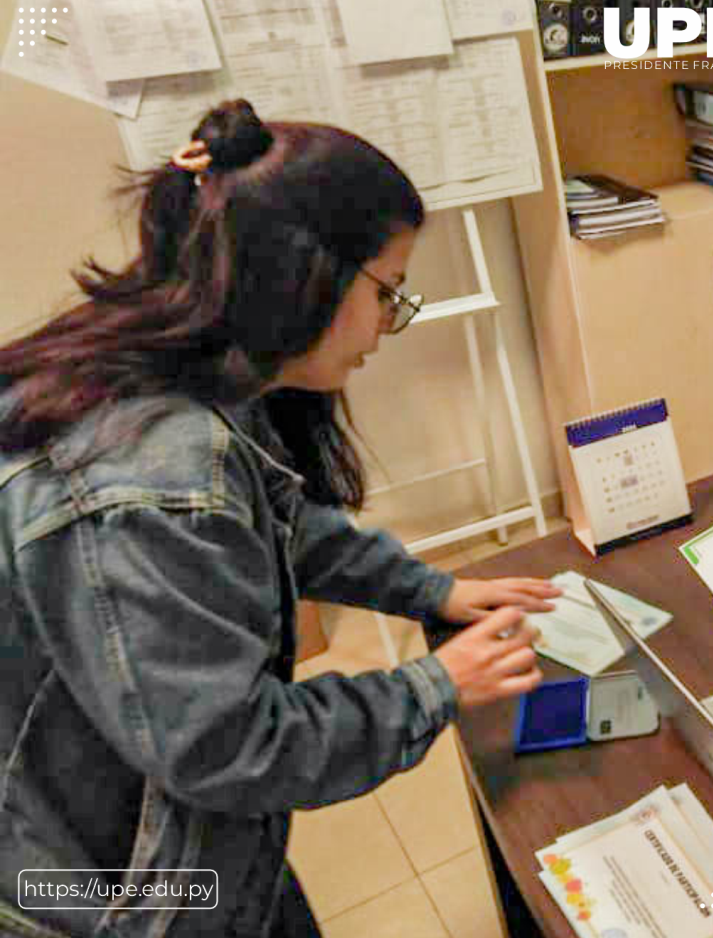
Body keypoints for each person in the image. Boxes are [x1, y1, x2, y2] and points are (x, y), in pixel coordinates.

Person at [0, 99, 560, 938]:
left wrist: (428, 592)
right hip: (114, 898)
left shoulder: (190, 374)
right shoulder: (151, 480)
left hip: (183, 849)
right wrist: (436, 686)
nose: (390, 325)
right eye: (389, 293)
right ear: (304, 272)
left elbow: (279, 521)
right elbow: (227, 747)